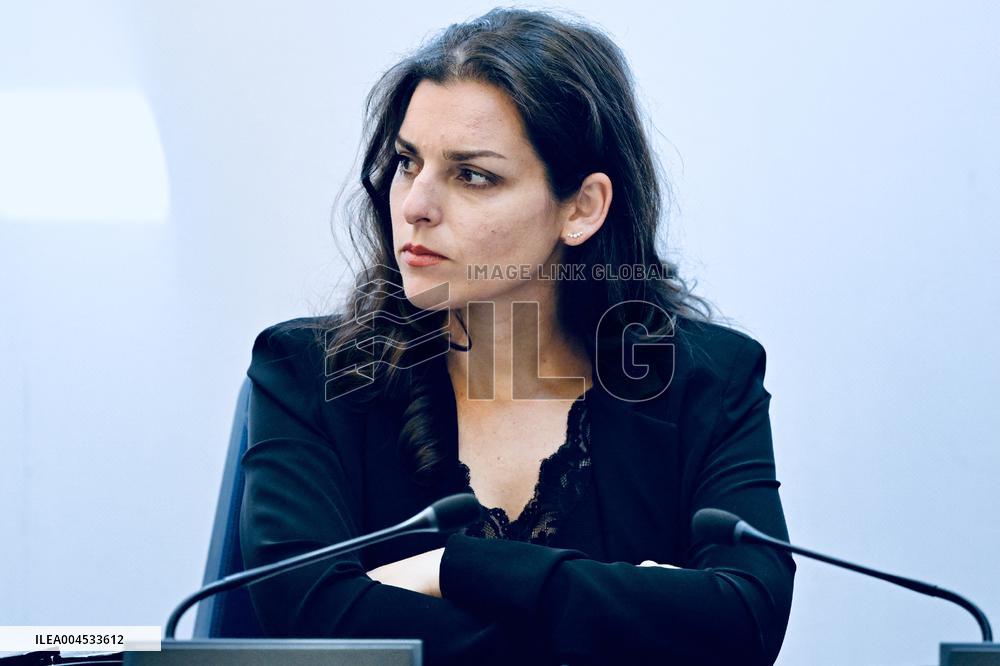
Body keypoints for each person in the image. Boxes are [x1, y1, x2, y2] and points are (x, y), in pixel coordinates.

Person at [239, 7, 795, 665]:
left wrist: (450, 567)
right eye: (407, 162)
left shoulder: (706, 380)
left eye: (473, 175)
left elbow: (744, 624)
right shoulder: (310, 371)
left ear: (581, 208)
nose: (415, 204)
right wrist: (632, 617)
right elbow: (306, 620)